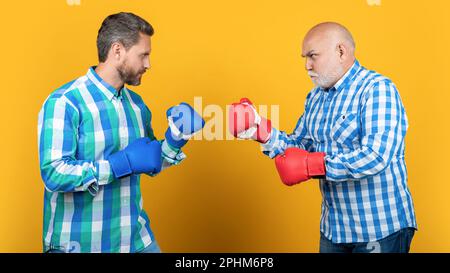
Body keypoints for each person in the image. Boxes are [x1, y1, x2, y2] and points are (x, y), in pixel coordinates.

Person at [229, 22, 417, 253]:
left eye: (312, 56)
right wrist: (260, 131)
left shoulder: (377, 89)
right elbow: (298, 147)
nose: (307, 65)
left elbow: (376, 156)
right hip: (334, 228)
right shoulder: (316, 97)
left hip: (380, 228)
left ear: (341, 52)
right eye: (304, 58)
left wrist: (314, 165)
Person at [38, 12, 204, 253]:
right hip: (80, 244)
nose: (148, 64)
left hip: (134, 241)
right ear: (117, 51)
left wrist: (176, 138)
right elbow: (53, 173)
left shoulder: (137, 106)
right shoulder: (65, 102)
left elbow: (149, 160)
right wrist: (119, 164)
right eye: (143, 55)